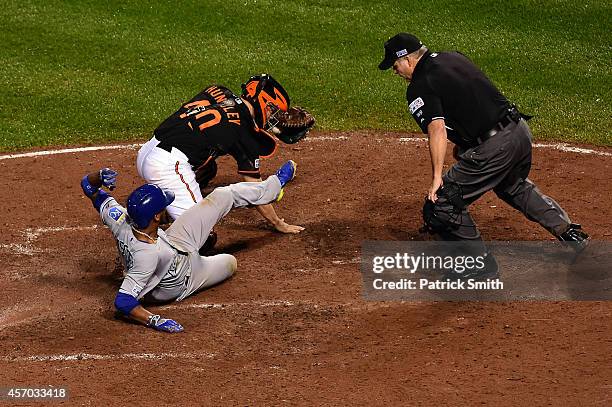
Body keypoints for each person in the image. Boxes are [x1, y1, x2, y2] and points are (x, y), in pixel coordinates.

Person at [378, 33, 589, 278]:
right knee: (511, 185)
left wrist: (437, 178)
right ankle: (569, 232)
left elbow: (436, 128)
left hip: (496, 146)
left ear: (407, 59)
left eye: (395, 66)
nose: (395, 72)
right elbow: (472, 99)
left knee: (442, 202)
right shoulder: (452, 57)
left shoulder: (420, 85)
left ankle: (476, 266)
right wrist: (469, 143)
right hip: (519, 132)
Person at [80, 161, 298, 333]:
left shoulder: (121, 220)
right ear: (156, 216)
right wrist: (155, 320)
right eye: (164, 205)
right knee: (231, 262)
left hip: (174, 241)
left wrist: (98, 177)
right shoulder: (146, 256)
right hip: (184, 279)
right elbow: (123, 301)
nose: (168, 206)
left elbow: (88, 186)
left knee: (222, 195)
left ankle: (272, 187)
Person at [136, 74, 314, 234]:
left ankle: (173, 201)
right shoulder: (245, 131)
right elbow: (255, 188)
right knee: (201, 237)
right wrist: (277, 223)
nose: (272, 117)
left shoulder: (218, 91)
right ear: (261, 102)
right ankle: (149, 246)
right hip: (166, 167)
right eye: (272, 110)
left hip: (148, 149)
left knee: (208, 167)